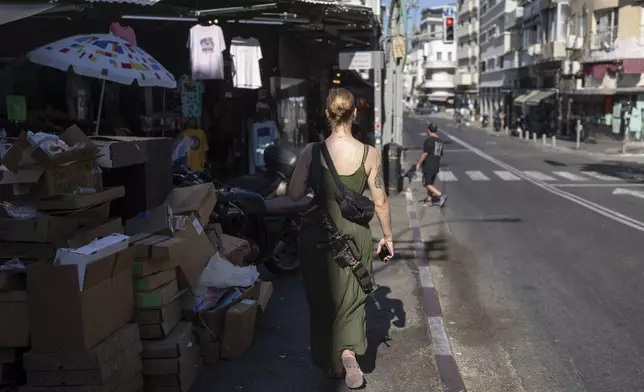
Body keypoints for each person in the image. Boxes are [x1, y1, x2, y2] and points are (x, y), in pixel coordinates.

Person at [288, 88, 394, 389]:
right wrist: (387, 236)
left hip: (317, 233)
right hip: (355, 234)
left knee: (322, 299)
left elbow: (295, 195)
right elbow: (381, 201)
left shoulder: (311, 152)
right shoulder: (369, 153)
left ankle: (331, 361)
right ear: (354, 113)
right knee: (353, 297)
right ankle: (349, 354)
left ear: (327, 114)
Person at [416, 122, 447, 207]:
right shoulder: (440, 141)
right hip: (436, 164)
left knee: (427, 184)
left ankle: (440, 196)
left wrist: (419, 163)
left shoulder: (429, 140)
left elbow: (425, 153)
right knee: (431, 182)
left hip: (429, 164)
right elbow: (441, 155)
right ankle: (429, 199)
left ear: (428, 130)